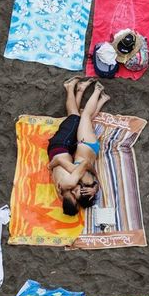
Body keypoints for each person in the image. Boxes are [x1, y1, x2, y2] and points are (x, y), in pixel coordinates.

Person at [47, 78, 109, 216]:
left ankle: (75, 88)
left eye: (75, 197)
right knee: (81, 118)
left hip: (62, 146)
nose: (77, 192)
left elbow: (77, 166)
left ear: (72, 200)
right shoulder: (66, 189)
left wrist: (50, 166)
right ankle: (89, 91)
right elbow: (84, 172)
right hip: (79, 146)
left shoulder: (69, 183)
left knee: (78, 117)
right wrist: (95, 186)